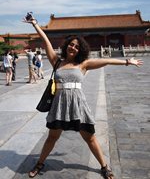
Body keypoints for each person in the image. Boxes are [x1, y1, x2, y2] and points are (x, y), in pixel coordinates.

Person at [23, 15, 143, 179]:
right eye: (71, 45)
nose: (73, 48)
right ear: (66, 46)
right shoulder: (56, 62)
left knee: (90, 138)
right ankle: (39, 163)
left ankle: (104, 167)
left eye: (77, 47)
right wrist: (35, 25)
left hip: (78, 105)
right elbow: (46, 42)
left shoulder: (84, 64)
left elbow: (105, 61)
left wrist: (127, 62)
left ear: (81, 50)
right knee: (52, 137)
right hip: (59, 106)